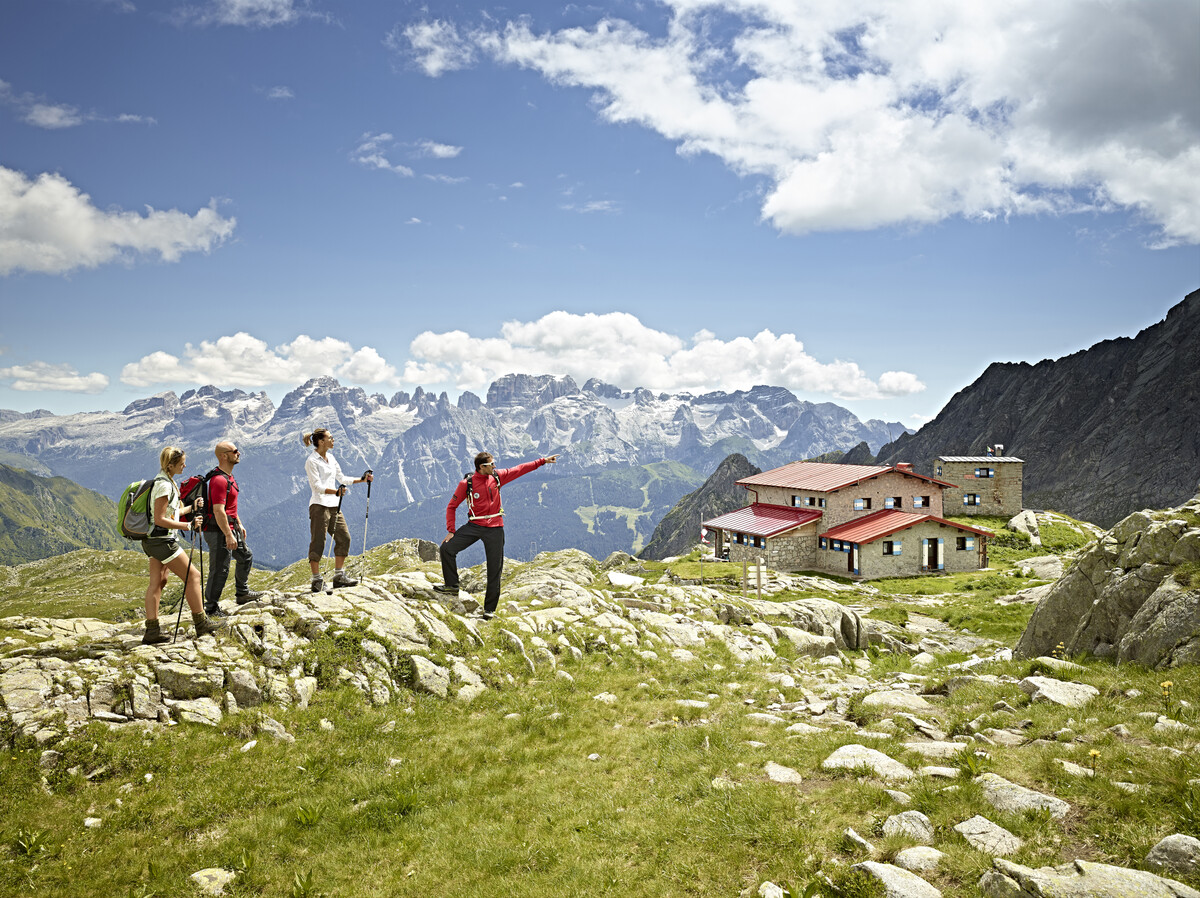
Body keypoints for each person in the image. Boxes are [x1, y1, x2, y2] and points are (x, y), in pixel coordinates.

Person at [436, 451, 558, 618]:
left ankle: (489, 611)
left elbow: (521, 469)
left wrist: (543, 461)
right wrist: (451, 531)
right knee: (446, 548)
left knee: (495, 569)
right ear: (481, 467)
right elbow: (451, 506)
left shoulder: (498, 477)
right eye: (491, 464)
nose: (495, 466)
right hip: (474, 525)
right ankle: (451, 586)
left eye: (494, 463)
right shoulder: (467, 484)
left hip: (495, 528)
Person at [141, 446, 225, 644]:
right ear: (170, 465)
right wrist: (188, 525)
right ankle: (201, 623)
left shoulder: (165, 481)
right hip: (163, 541)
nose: (185, 466)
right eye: (181, 463)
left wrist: (191, 507)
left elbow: (171, 512)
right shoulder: (164, 486)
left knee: (158, 583)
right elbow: (161, 519)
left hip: (153, 540)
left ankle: (152, 630)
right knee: (193, 576)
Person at [303, 427, 373, 592]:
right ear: (321, 442)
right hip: (319, 505)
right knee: (318, 541)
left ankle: (339, 576)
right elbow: (317, 486)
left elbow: (341, 478)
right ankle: (316, 580)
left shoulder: (332, 458)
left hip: (334, 505)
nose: (333, 440)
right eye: (330, 437)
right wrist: (336, 492)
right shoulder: (311, 461)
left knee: (344, 537)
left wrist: (362, 480)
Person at [202, 440, 263, 615]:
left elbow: (230, 507)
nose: (239, 453)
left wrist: (239, 523)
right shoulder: (219, 480)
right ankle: (211, 608)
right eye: (235, 451)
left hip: (231, 526)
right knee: (220, 568)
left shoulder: (228, 477)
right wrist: (228, 534)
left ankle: (242, 593)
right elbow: (218, 511)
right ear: (223, 456)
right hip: (218, 530)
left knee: (246, 556)